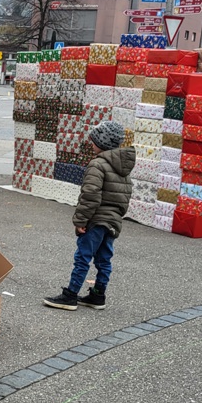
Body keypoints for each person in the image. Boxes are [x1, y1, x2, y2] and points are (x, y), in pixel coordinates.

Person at [44, 122, 135, 311]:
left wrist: (81, 221)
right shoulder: (123, 170)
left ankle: (71, 295)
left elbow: (90, 196)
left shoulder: (97, 164)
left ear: (102, 142)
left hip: (95, 220)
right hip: (112, 222)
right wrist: (115, 217)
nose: (90, 142)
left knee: (83, 257)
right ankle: (98, 295)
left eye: (93, 139)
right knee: (104, 259)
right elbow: (125, 197)